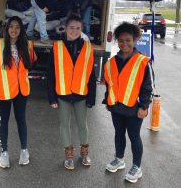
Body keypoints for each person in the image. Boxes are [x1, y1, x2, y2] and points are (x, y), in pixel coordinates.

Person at [103, 22, 153, 183]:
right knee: (118, 134)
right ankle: (119, 159)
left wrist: (144, 106)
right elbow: (110, 84)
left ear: (135, 40)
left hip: (134, 108)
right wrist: (107, 101)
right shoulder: (111, 62)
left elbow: (148, 87)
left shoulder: (143, 62)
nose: (124, 43)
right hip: (116, 107)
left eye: (128, 40)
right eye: (121, 40)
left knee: (134, 137)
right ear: (117, 41)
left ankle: (137, 167)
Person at [47, 14, 96, 170]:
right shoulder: (57, 47)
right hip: (63, 94)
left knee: (83, 125)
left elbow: (91, 75)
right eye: (71, 28)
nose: (74, 31)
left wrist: (91, 98)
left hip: (81, 94)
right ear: (65, 28)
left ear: (81, 30)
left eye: (78, 28)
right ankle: (68, 156)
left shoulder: (88, 48)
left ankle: (84, 153)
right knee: (64, 125)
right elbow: (51, 74)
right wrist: (52, 97)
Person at [0, 16, 37, 169]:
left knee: (21, 119)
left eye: (17, 27)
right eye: (11, 27)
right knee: (4, 120)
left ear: (21, 29)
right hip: (4, 91)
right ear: (7, 28)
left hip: (22, 90)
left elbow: (33, 62)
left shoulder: (27, 45)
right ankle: (4, 153)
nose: (14, 30)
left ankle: (24, 151)